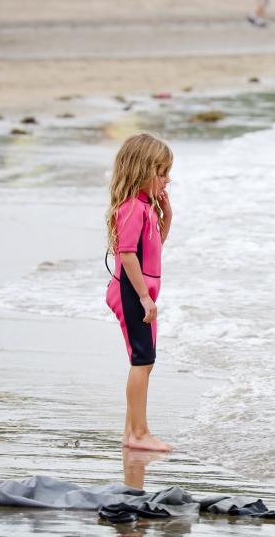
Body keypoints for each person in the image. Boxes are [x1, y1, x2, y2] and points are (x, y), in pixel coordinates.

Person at [106, 133, 173, 451]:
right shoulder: (132, 208)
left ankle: (131, 431)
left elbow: (153, 248)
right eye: (161, 172)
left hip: (140, 293)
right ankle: (138, 434)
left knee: (145, 361)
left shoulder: (145, 208)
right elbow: (128, 254)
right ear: (141, 170)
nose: (167, 180)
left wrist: (167, 217)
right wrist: (145, 297)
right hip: (133, 293)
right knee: (141, 361)